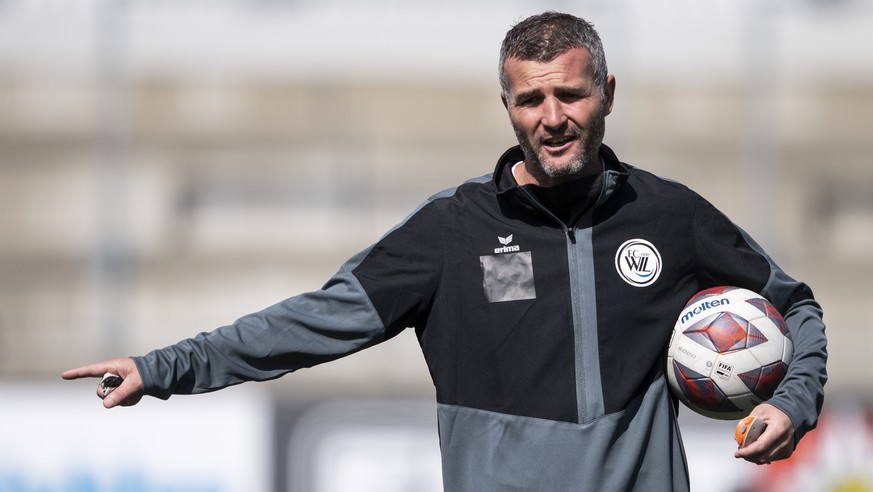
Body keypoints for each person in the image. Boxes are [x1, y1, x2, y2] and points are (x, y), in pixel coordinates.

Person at [63, 11, 827, 491]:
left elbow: (794, 305)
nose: (552, 117)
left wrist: (791, 402)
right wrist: (163, 368)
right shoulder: (449, 232)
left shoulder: (668, 215)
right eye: (530, 99)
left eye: (570, 94)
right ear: (506, 106)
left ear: (608, 94)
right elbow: (306, 323)